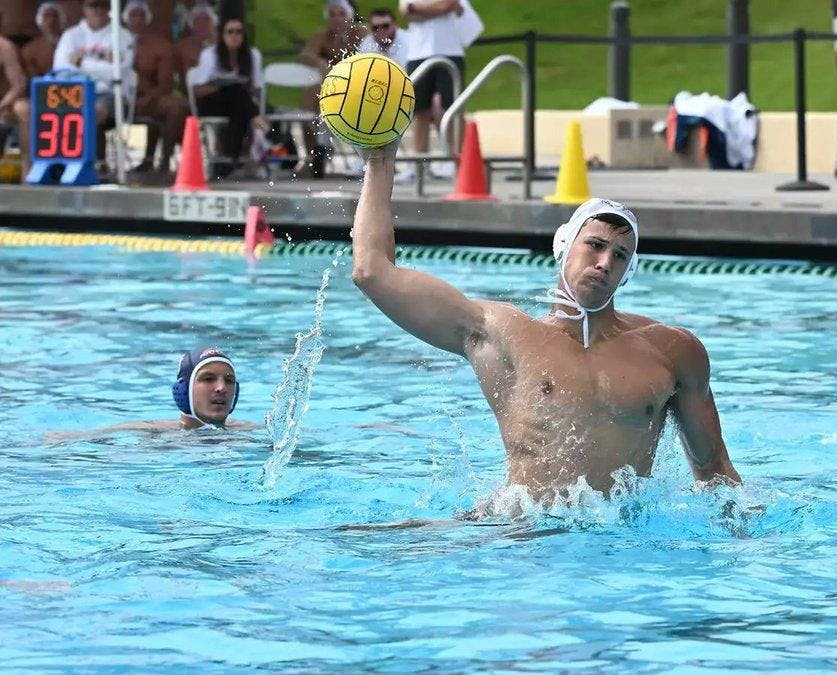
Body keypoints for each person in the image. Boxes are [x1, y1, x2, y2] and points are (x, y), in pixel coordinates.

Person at [350, 143, 741, 503]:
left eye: (621, 255)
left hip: (622, 542)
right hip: (522, 536)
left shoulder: (672, 351)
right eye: (595, 245)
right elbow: (372, 271)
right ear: (564, 245)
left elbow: (713, 468)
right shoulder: (502, 333)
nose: (605, 262)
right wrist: (381, 160)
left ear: (629, 272)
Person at [44, 347, 251, 442]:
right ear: (183, 389)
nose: (221, 388)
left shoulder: (249, 433)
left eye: (229, 380)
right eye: (208, 379)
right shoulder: (153, 434)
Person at [52, 0, 135, 170]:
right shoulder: (70, 35)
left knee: (93, 110)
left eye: (103, 5)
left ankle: (93, 163)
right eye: (93, 5)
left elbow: (117, 73)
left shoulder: (123, 35)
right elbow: (60, 69)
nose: (98, 10)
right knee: (50, 108)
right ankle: (62, 162)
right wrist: (102, 65)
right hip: (74, 92)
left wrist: (81, 63)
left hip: (111, 95)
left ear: (109, 8)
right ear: (84, 8)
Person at [400, 0, 471, 179]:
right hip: (418, 52)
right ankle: (420, 165)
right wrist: (436, 9)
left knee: (453, 109)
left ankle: (457, 161)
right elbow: (405, 10)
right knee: (419, 110)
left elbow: (448, 4)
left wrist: (417, 9)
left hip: (450, 50)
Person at [191, 15, 266, 178]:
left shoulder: (252, 55)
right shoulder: (210, 54)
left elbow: (258, 90)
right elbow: (198, 91)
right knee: (235, 91)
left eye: (238, 32)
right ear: (222, 34)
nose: (234, 36)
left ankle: (225, 164)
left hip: (239, 105)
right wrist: (222, 84)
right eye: (229, 32)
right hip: (212, 102)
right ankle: (255, 118)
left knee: (239, 102)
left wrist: (243, 85)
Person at [297, 0, 362, 177]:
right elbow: (305, 55)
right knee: (310, 96)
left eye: (341, 14)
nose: (337, 19)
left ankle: (367, 157)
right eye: (332, 15)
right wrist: (320, 62)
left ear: (350, 16)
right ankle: (314, 156)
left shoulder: (360, 33)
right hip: (332, 92)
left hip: (357, 89)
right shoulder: (323, 36)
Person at [123, 0, 187, 177]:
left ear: (148, 19)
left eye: (141, 15)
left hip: (147, 98)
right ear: (126, 18)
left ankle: (164, 161)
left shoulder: (160, 46)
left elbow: (165, 85)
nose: (137, 20)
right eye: (133, 15)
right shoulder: (112, 40)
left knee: (177, 107)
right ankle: (99, 163)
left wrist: (148, 98)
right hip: (116, 98)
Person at [0, 35, 27, 169]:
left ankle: (27, 171)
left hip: (5, 107)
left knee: (22, 109)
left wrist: (2, 104)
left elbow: (19, 85)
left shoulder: (4, 47)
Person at [19, 1, 63, 77]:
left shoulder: (70, 44)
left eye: (55, 16)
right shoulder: (29, 50)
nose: (51, 21)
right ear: (40, 21)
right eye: (47, 16)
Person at [173, 1, 214, 75]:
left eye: (205, 20)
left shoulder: (223, 44)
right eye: (197, 21)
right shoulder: (184, 47)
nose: (202, 25)